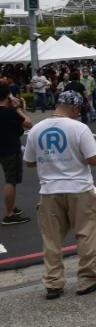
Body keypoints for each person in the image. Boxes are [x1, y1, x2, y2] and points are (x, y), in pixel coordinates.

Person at [23, 91, 96, 299]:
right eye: (79, 109)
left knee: (51, 238)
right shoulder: (79, 128)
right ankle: (87, 278)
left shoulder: (36, 130)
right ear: (75, 107)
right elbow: (93, 159)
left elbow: (30, 162)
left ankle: (53, 282)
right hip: (79, 188)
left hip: (49, 190)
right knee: (88, 233)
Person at [0, 82, 32, 225]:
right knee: (11, 180)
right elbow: (28, 123)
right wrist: (18, 108)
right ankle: (9, 214)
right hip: (10, 149)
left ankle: (11, 207)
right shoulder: (9, 113)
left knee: (9, 179)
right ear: (7, 95)